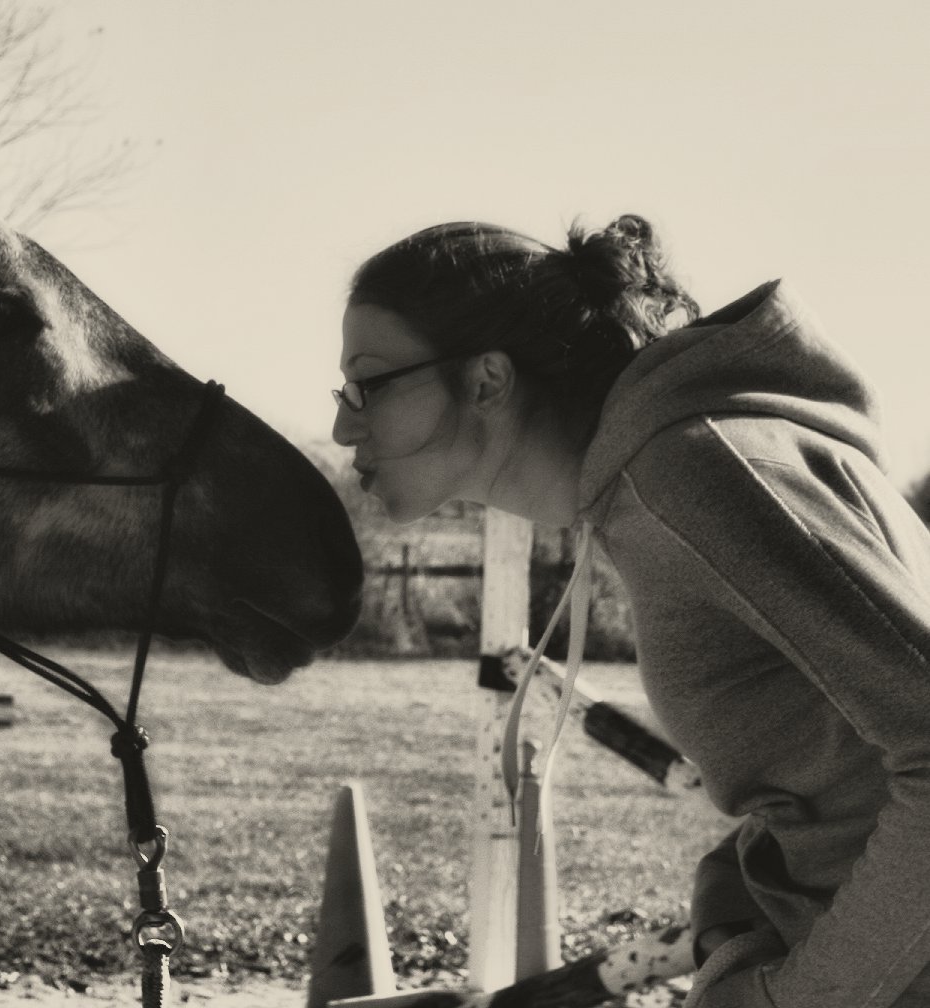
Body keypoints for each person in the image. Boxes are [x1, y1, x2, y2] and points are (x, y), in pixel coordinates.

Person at [332, 214, 930, 1008]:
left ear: (487, 379)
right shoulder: (652, 488)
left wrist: (799, 998)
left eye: (368, 385)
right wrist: (729, 897)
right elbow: (832, 760)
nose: (344, 424)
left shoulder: (697, 474)